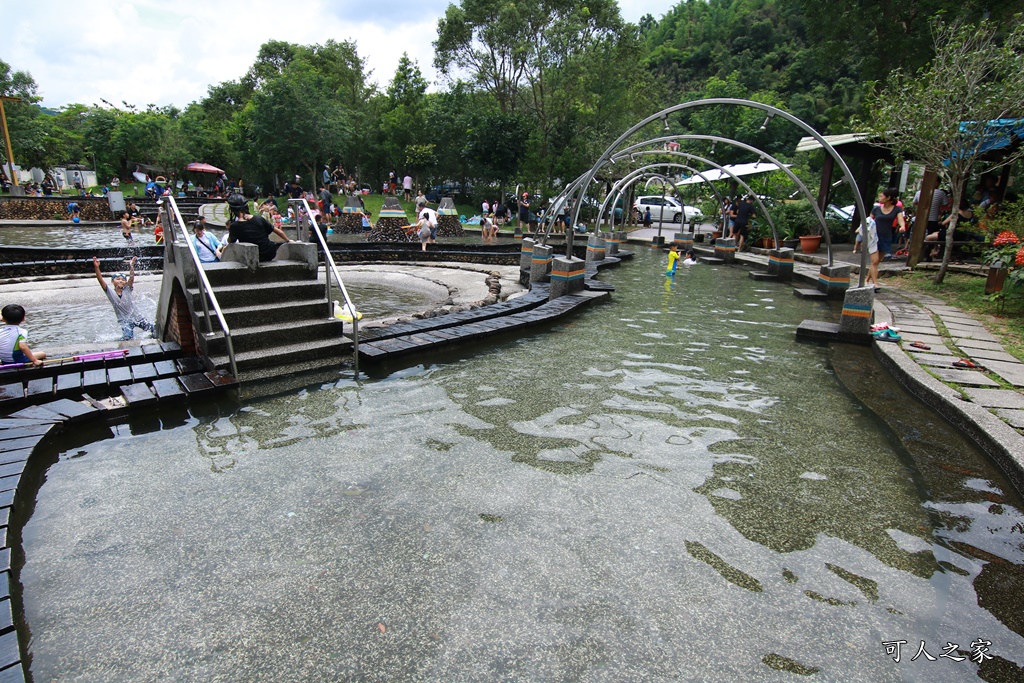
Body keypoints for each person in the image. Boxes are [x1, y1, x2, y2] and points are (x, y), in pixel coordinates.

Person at [93, 256, 154, 340]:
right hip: (125, 322)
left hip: (138, 318)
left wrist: (131, 266)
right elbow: (100, 280)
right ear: (112, 281)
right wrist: (97, 267)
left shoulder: (127, 289)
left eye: (123, 280)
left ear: (125, 282)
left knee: (154, 330)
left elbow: (131, 278)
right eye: (117, 279)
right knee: (127, 338)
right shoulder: (110, 292)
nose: (120, 281)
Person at [225, 193, 291, 262]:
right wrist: (288, 240)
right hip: (269, 253)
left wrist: (230, 231)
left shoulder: (235, 226)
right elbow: (278, 231)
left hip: (252, 256)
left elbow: (231, 241)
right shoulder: (259, 219)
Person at [870, 188, 905, 260]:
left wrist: (902, 226)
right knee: (874, 261)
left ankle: (869, 272)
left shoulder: (897, 209)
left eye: (881, 196)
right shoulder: (876, 209)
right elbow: (869, 221)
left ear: (888, 198)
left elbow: (900, 220)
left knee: (877, 261)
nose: (879, 198)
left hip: (886, 237)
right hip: (875, 236)